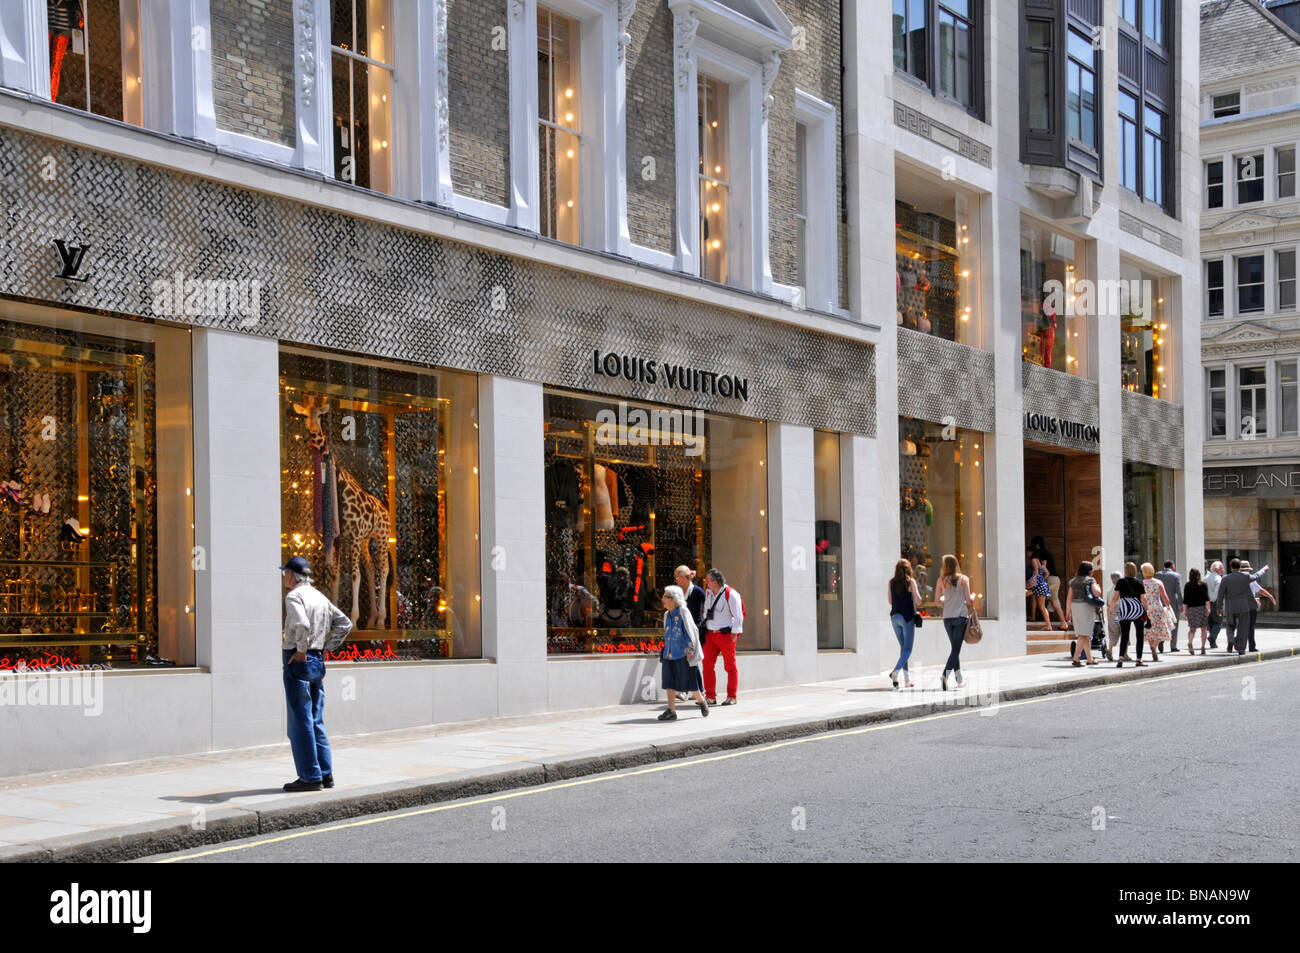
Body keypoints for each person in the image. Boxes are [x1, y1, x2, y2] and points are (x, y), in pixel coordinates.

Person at [280, 556, 352, 792]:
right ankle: (325, 773)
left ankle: (310, 777)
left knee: (300, 720)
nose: (284, 579)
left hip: (297, 657)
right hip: (317, 658)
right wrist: (324, 648)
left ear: (291, 575)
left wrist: (301, 652)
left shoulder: (294, 596)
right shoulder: (320, 597)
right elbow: (345, 624)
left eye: (285, 574)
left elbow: (301, 624)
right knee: (316, 718)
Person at [656, 586, 709, 721]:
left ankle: (701, 701)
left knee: (690, 683)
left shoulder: (683, 611)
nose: (663, 599)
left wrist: (690, 650)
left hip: (683, 654)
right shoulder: (667, 614)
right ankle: (671, 710)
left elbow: (691, 631)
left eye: (666, 597)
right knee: (669, 682)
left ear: (674, 599)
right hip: (669, 654)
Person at [701, 568, 744, 706]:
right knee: (707, 664)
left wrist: (735, 632)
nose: (706, 583)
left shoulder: (730, 594)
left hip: (725, 635)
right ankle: (710, 696)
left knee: (730, 666)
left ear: (716, 581)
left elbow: (738, 615)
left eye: (708, 580)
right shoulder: (708, 593)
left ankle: (732, 696)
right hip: (710, 633)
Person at [934, 554, 974, 690]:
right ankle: (945, 676)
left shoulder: (941, 580)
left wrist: (946, 599)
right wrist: (973, 597)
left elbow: (937, 602)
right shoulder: (964, 579)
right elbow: (968, 601)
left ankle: (959, 680)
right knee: (956, 650)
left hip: (947, 618)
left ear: (945, 566)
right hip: (960, 617)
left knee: (954, 649)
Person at [1219, 559, 1269, 654]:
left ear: (1231, 567)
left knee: (1230, 625)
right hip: (1243, 606)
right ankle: (1241, 649)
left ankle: (1230, 640)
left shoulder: (1225, 578)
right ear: (1239, 567)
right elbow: (1256, 576)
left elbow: (1220, 594)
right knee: (1243, 627)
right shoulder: (1245, 576)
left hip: (1230, 606)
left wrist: (1219, 607)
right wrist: (1264, 570)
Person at [888, 559, 924, 689]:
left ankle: (907, 680)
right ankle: (895, 672)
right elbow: (919, 602)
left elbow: (890, 601)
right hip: (907, 618)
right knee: (908, 649)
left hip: (894, 617)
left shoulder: (891, 582)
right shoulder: (911, 581)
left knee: (903, 649)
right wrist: (915, 594)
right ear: (909, 569)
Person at [1064, 561, 1103, 667]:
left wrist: (1068, 612)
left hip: (1075, 607)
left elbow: (1069, 597)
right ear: (1089, 571)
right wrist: (1098, 587)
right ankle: (1076, 659)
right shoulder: (1090, 580)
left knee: (1085, 634)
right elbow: (1097, 593)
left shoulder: (1073, 581)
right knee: (1084, 634)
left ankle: (1089, 659)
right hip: (1086, 607)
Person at [1110, 562, 1148, 668]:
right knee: (1139, 635)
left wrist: (1111, 609)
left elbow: (1115, 597)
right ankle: (1139, 660)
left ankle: (1121, 658)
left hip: (1124, 610)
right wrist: (1147, 609)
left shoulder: (1121, 582)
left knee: (1125, 635)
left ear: (1125, 570)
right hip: (1137, 610)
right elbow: (1143, 598)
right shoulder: (1139, 582)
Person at [1031, 536, 1067, 631]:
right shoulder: (1048, 553)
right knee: (1054, 601)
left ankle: (1040, 621)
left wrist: (1041, 578)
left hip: (1049, 579)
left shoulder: (1041, 553)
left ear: (1037, 545)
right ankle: (1064, 623)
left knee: (1035, 595)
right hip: (1056, 579)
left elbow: (1043, 567)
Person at [1242, 561, 1275, 653]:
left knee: (1241, 625)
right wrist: (1270, 596)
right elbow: (1260, 590)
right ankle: (1251, 646)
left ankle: (1237, 643)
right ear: (1248, 570)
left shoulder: (1234, 578)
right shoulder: (1249, 579)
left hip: (1239, 606)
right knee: (1250, 626)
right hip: (1250, 606)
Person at [1139, 562, 1169, 663]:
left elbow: (1142, 598)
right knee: (1161, 629)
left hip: (1146, 609)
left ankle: (1152, 646)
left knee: (1149, 630)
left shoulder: (1142, 583)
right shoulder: (1158, 582)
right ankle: (1154, 647)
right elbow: (1164, 596)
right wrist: (1168, 606)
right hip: (1158, 608)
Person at [1154, 561, 1183, 652]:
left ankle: (1161, 641)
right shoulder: (1176, 576)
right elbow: (1179, 591)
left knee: (1162, 623)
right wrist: (1181, 604)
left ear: (1164, 566)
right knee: (1174, 624)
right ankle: (1173, 646)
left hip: (1160, 602)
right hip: (1172, 603)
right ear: (1172, 566)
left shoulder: (1158, 575)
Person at [1182, 568, 1210, 656]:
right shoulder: (1203, 585)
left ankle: (1190, 642)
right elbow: (1207, 598)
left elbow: (1185, 600)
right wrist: (1208, 608)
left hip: (1191, 609)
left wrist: (1185, 611)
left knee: (1192, 629)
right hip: (1202, 608)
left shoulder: (1187, 585)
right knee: (1204, 629)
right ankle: (1202, 647)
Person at [674, 565, 706, 629]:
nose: (675, 580)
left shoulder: (697, 591)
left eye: (676, 578)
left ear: (683, 578)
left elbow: (709, 606)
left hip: (695, 628)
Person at [1204, 561, 1225, 649]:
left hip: (1206, 603)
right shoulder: (1219, 579)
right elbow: (1217, 592)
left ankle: (1213, 642)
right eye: (1221, 568)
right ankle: (1212, 637)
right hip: (1215, 602)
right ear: (1217, 569)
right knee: (1218, 622)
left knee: (1211, 622)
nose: (1223, 570)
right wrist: (1213, 600)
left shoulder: (1206, 577)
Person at [1105, 570, 1122, 661]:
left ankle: (1110, 649)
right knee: (1123, 631)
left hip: (1111, 612)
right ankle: (1124, 654)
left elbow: (1107, 603)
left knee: (1113, 631)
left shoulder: (1109, 589)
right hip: (1119, 611)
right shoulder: (1122, 588)